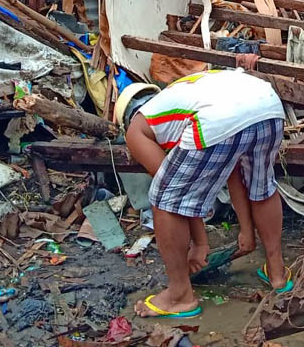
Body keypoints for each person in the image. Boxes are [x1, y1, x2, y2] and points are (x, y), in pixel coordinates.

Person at [122, 67, 290, 319]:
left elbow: (175, 200)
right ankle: (277, 273)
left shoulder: (137, 128)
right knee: (262, 185)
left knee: (163, 198)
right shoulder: (181, 94)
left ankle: (179, 295)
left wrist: (201, 243)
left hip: (219, 118)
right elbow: (233, 170)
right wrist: (246, 231)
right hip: (268, 107)